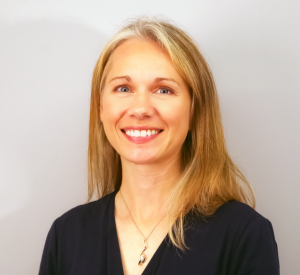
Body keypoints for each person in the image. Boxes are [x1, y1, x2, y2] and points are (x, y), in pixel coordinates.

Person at [38, 15, 280, 275]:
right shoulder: (66, 235)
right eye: (123, 88)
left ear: (194, 111)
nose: (140, 109)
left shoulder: (243, 235)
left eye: (164, 90)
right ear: (100, 107)